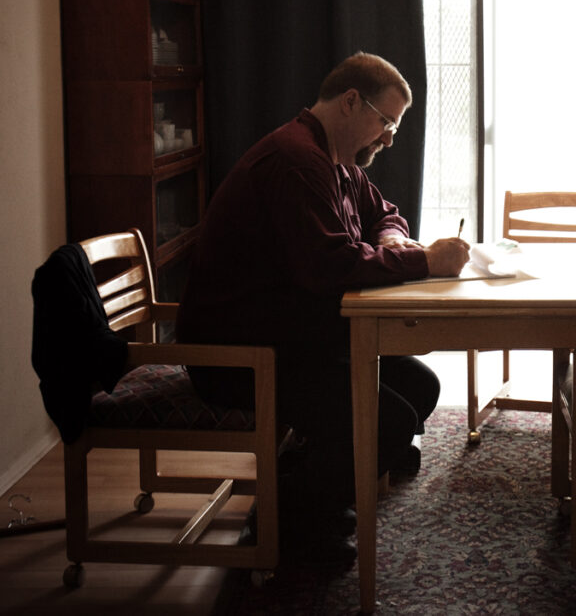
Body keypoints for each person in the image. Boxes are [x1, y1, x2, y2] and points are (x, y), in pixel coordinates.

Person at [176, 52, 470, 566]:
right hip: (241, 354)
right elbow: (331, 267)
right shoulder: (297, 161)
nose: (389, 139)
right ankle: (284, 525)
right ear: (351, 102)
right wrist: (425, 262)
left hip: (290, 334)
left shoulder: (335, 160)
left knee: (422, 387)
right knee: (386, 423)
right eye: (386, 122)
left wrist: (394, 239)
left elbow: (386, 213)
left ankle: (315, 472)